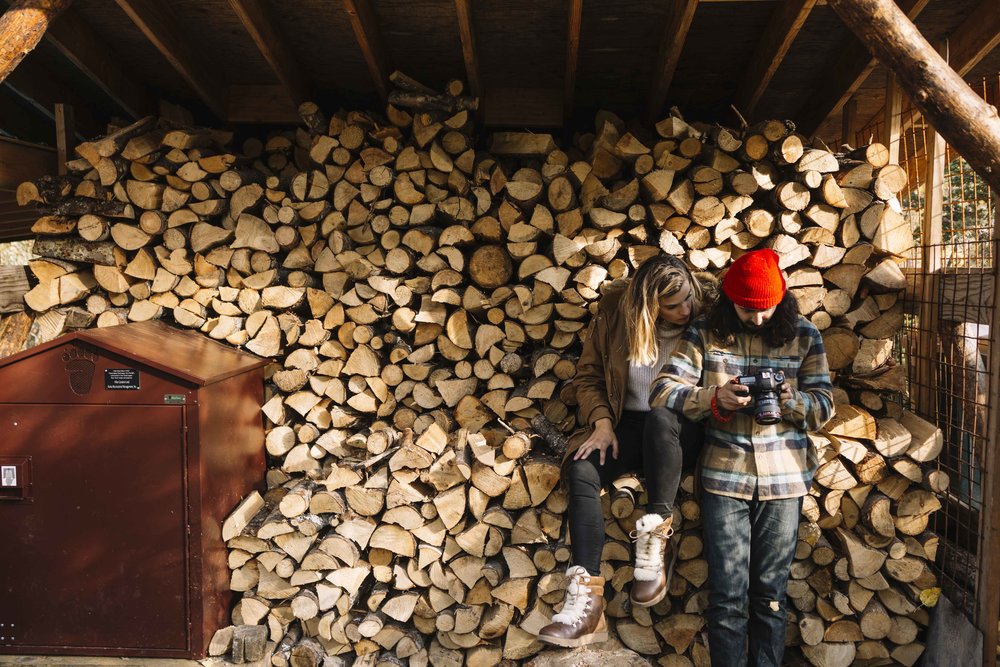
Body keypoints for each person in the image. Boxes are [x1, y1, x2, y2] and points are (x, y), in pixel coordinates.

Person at [648, 248, 835, 667]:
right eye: (747, 309)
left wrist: (792, 400)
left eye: (765, 309)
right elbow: (661, 390)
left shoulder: (805, 335)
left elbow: (824, 407)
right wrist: (714, 398)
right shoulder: (704, 332)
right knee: (728, 595)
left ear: (781, 300)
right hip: (724, 476)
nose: (757, 319)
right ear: (729, 301)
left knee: (770, 595)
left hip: (784, 479)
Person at [537, 254, 715, 648]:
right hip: (626, 423)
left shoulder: (708, 310)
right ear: (649, 305)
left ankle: (658, 530)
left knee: (661, 416)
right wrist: (601, 422)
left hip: (684, 424)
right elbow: (589, 375)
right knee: (582, 467)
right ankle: (587, 597)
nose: (685, 310)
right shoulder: (617, 312)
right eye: (672, 306)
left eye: (687, 298)